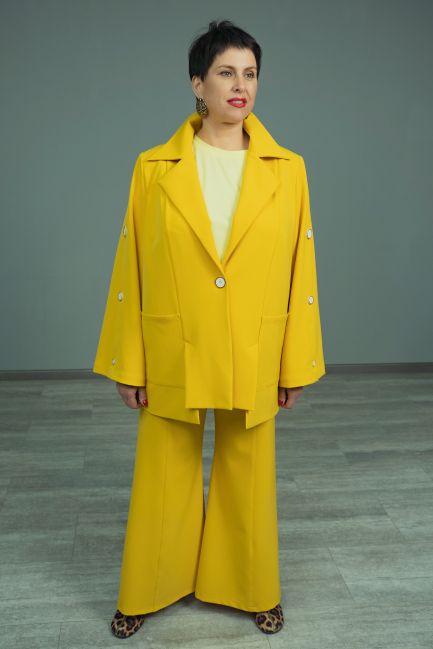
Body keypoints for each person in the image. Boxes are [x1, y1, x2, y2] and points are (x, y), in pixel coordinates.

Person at [93, 19, 326, 639]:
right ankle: (147, 588)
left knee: (248, 469)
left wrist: (294, 361)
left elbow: (300, 271)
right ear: (198, 83)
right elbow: (131, 266)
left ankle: (251, 586)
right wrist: (128, 361)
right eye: (226, 72)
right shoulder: (153, 167)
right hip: (175, 341)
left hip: (254, 341)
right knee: (163, 469)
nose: (240, 85)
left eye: (250, 73)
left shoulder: (289, 169)